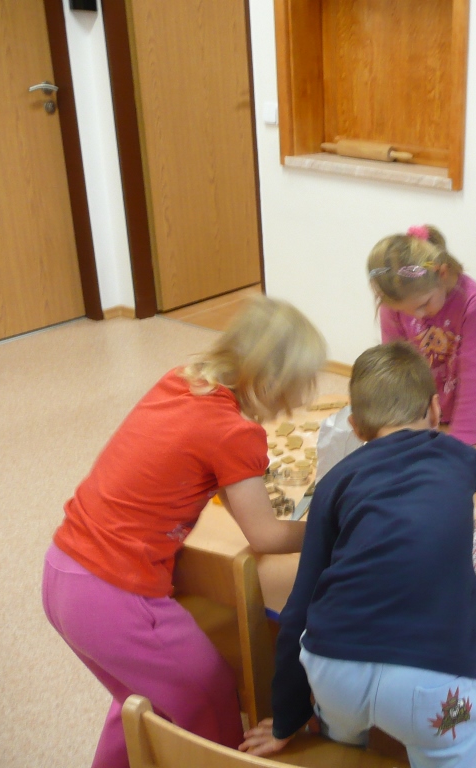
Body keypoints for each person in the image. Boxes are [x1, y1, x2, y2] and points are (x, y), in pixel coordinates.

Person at [42, 297, 326, 768]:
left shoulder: (180, 381)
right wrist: (329, 526)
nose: (295, 404)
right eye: (295, 390)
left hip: (62, 572)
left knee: (142, 700)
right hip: (116, 595)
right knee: (209, 696)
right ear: (273, 382)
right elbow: (265, 536)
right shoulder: (234, 432)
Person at [240, 341, 476, 767]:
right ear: (434, 410)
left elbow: (298, 608)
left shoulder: (335, 481)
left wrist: (286, 717)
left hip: (334, 672)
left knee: (341, 738)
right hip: (432, 682)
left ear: (355, 426)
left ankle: (340, 737)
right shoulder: (454, 455)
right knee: (451, 742)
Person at [369, 224, 476, 446]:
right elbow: (397, 370)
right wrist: (401, 426)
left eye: (424, 304)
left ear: (442, 273)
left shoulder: (473, 303)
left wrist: (463, 438)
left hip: (463, 409)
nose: (419, 316)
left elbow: (474, 376)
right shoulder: (393, 303)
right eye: (408, 311)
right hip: (419, 410)